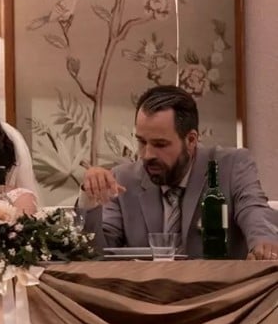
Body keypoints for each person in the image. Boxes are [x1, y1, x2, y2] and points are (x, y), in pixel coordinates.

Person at [81, 85, 278, 260]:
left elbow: (253, 209)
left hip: (218, 294)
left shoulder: (231, 165)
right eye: (142, 142)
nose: (147, 155)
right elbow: (97, 254)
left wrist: (265, 243)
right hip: (146, 297)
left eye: (160, 144)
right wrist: (90, 201)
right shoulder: (123, 179)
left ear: (191, 140)